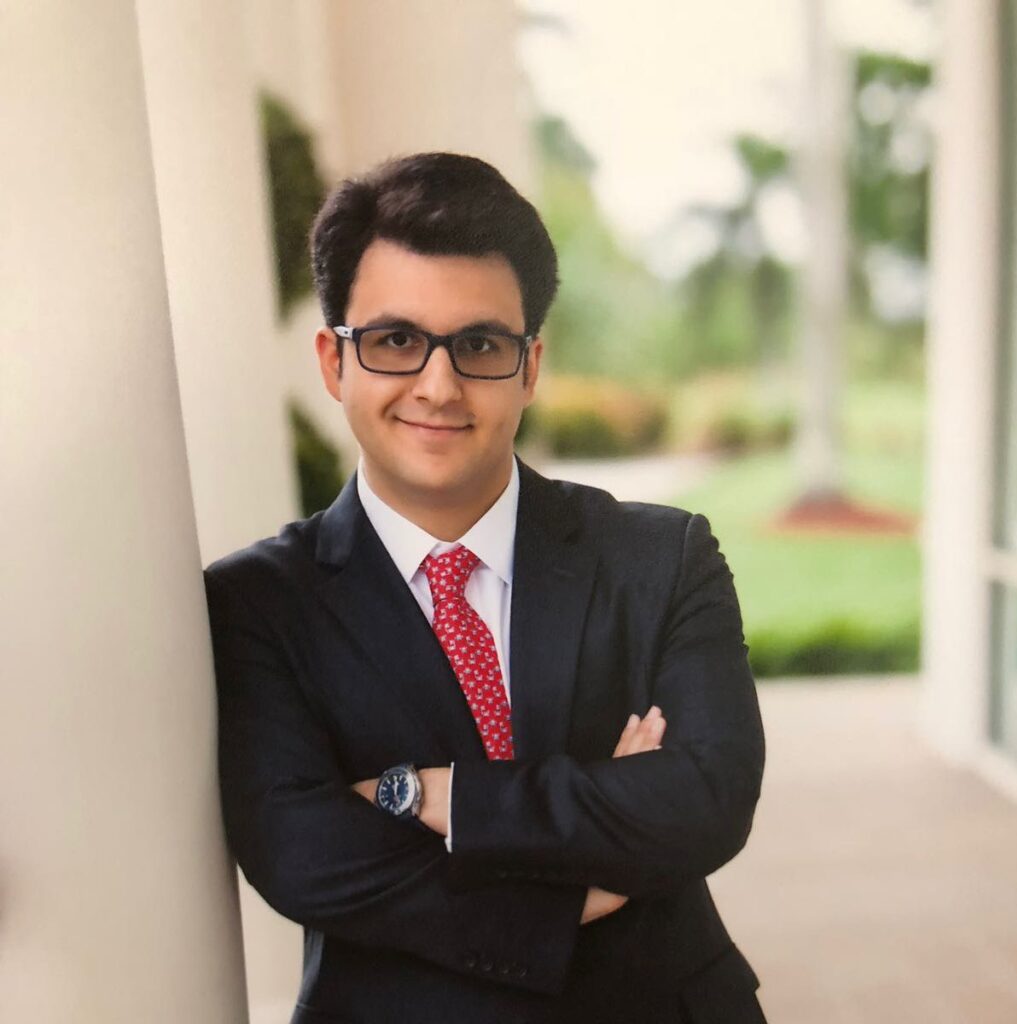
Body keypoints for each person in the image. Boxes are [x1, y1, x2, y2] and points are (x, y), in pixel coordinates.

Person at [204, 152, 767, 1024]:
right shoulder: (255, 603)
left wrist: (437, 796)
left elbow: (707, 800)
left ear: (530, 365)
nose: (439, 386)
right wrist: (580, 879)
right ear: (333, 360)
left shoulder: (661, 556)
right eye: (396, 341)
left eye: (479, 346)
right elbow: (303, 855)